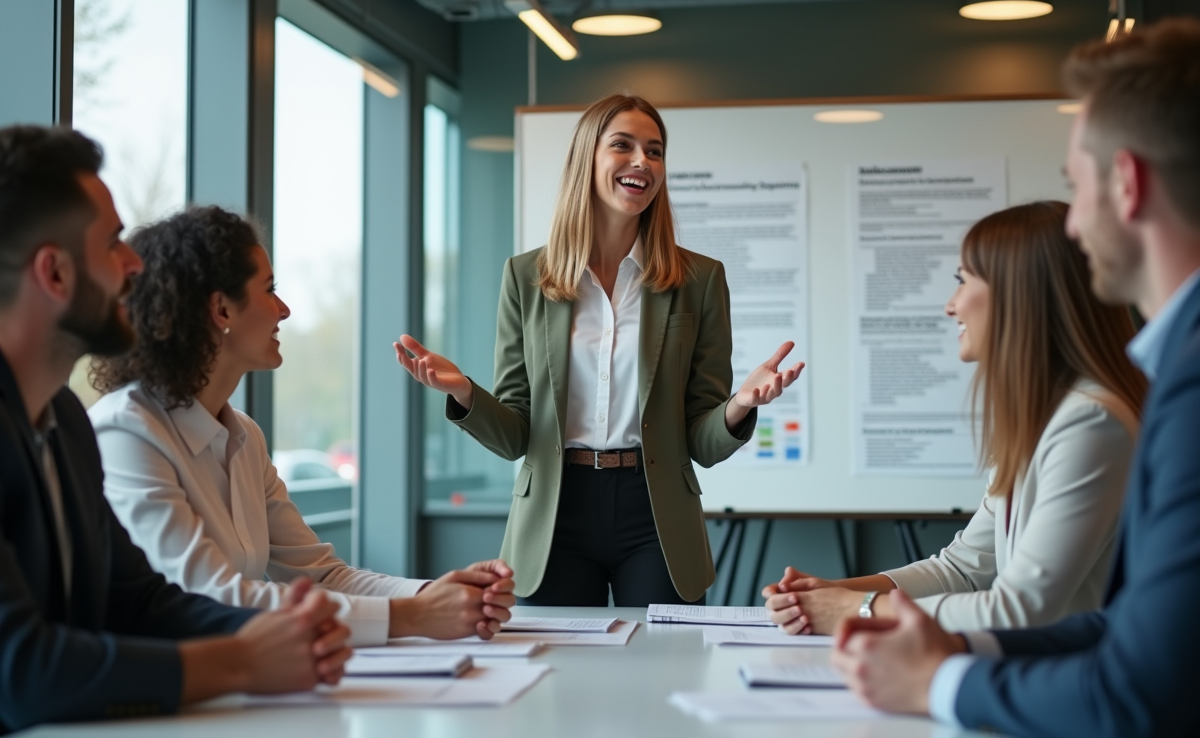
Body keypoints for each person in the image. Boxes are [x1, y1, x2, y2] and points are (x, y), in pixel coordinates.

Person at [830, 17, 1200, 738]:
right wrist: (947, 645)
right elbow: (1117, 628)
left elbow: (1142, 689)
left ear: (1125, 183)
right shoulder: (1167, 371)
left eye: (1076, 185)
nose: (1069, 224)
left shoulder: (1156, 396)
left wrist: (935, 677)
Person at [0, 125, 352, 733]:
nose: (134, 263)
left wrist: (285, 633)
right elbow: (21, 669)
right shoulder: (112, 428)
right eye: (112, 243)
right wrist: (243, 661)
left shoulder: (63, 424)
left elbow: (136, 599)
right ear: (54, 274)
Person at [395, 94, 804, 606]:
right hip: (555, 512)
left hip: (655, 513)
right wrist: (463, 394)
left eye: (654, 151)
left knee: (663, 673)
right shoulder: (526, 277)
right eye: (623, 146)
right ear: (587, 158)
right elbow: (516, 436)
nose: (642, 162)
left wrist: (740, 405)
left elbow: (702, 443)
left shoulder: (699, 279)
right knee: (556, 677)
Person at [88, 206, 515, 648]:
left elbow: (322, 575)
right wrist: (412, 615)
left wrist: (437, 594)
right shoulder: (127, 433)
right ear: (220, 309)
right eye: (269, 290)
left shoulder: (244, 437)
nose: (285, 310)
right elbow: (208, 597)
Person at [763, 201, 1146, 635]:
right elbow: (961, 570)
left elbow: (1021, 609)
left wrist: (857, 610)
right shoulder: (1048, 416)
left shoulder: (1091, 422)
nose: (950, 305)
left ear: (1020, 292)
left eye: (962, 280)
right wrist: (831, 594)